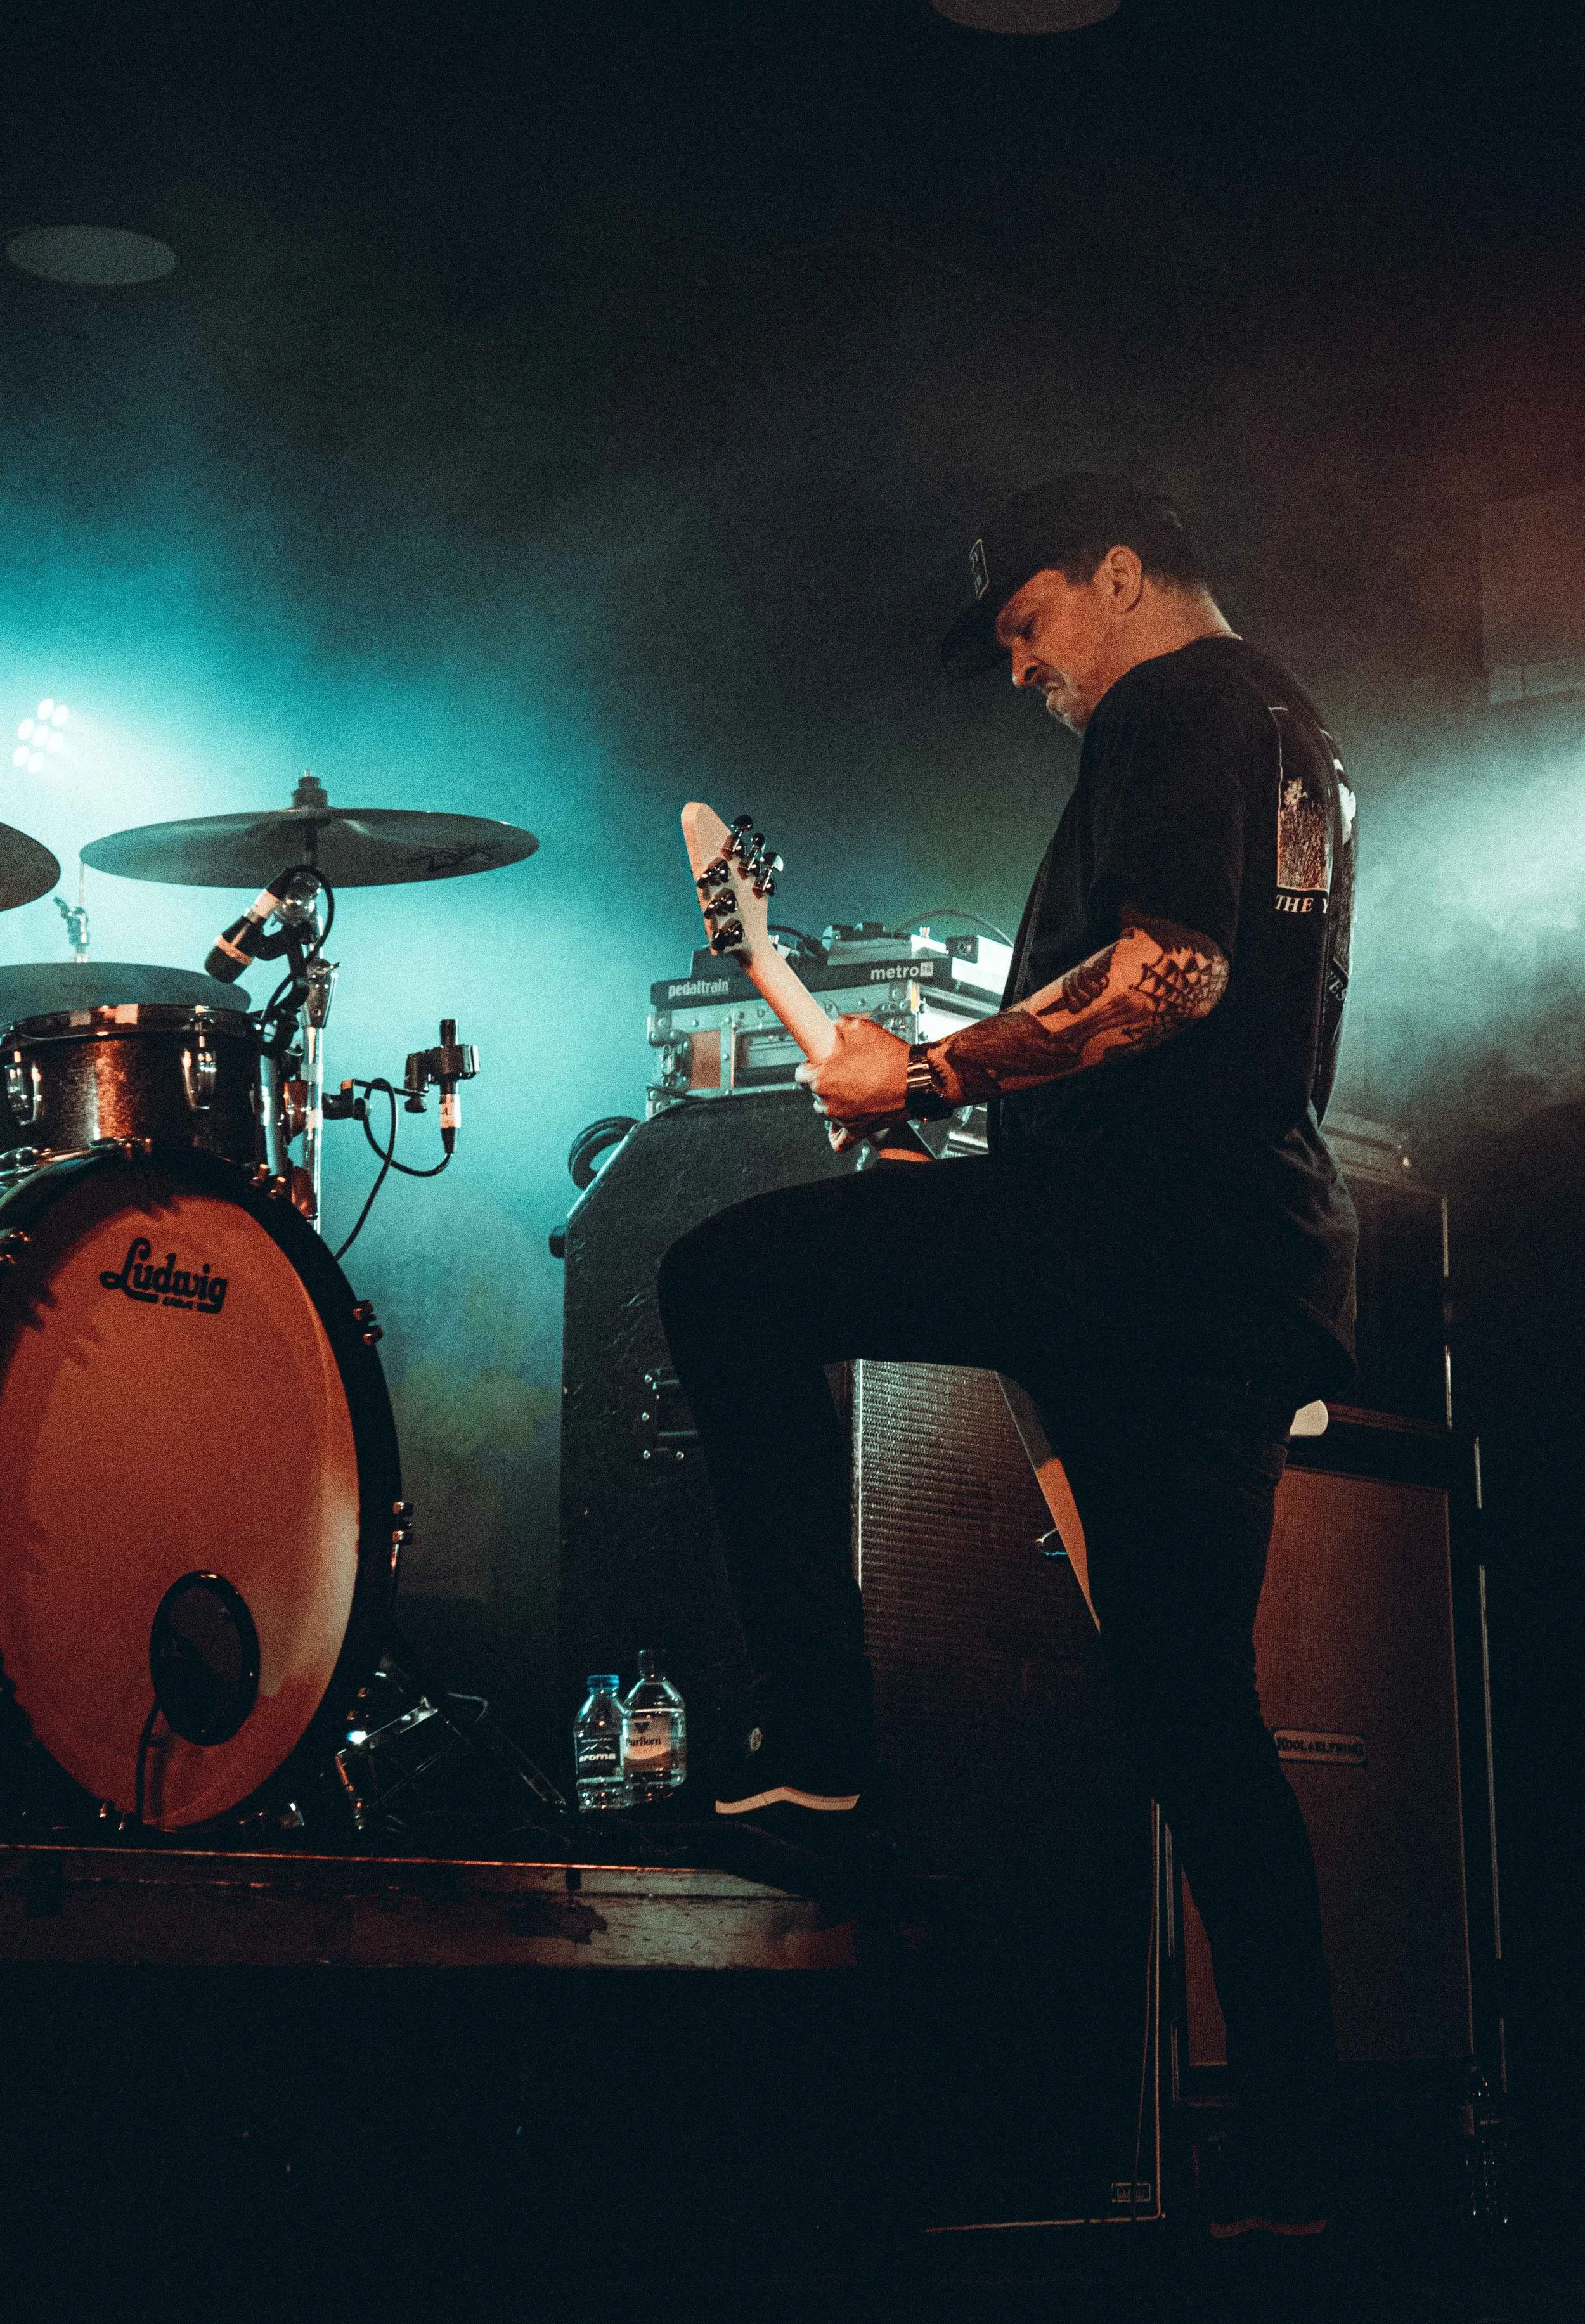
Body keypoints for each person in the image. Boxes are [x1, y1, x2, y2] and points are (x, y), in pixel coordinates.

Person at [656, 472, 1358, 2237]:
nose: (1025, 666)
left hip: (1132, 1247)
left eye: (1031, 624)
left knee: (723, 1281)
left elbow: (1171, 975)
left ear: (1118, 575)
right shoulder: (1291, 729)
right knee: (1191, 1708)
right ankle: (1304, 2156)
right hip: (1239, 1260)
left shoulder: (1174, 702)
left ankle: (824, 1754)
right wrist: (954, 1126)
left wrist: (931, 1070)